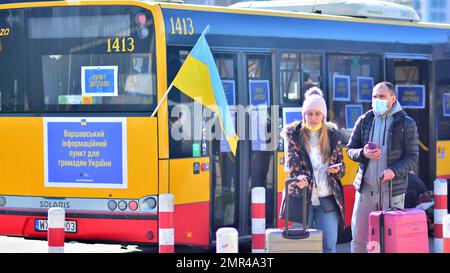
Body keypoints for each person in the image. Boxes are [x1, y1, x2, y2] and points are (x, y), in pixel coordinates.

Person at [346, 81, 419, 253]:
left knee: (391, 241)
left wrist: (393, 171)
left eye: (382, 97)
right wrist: (363, 153)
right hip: (365, 193)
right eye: (374, 96)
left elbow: (412, 158)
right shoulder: (364, 120)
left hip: (392, 193)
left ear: (393, 99)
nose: (377, 100)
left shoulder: (406, 123)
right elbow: (350, 150)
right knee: (359, 240)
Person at [280, 87, 346, 253]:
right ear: (304, 114)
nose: (314, 118)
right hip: (302, 198)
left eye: (317, 114)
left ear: (323, 115)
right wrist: (299, 178)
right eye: (310, 113)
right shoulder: (293, 135)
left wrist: (336, 171)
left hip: (327, 199)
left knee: (329, 246)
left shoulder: (333, 136)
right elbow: (294, 169)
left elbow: (342, 169)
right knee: (300, 247)